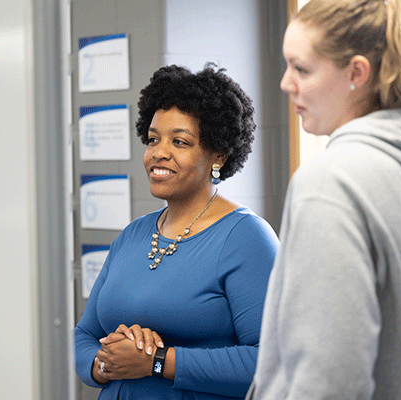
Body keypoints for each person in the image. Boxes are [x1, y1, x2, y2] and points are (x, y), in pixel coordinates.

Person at [247, 0, 401, 399]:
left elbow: (329, 382)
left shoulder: (330, 183)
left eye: (302, 68)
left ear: (356, 73)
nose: (285, 82)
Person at [74, 63, 279, 399]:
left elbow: (271, 362)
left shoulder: (247, 239)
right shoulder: (133, 235)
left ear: (218, 155)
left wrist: (157, 361)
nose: (159, 153)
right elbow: (84, 333)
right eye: (153, 139)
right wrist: (104, 363)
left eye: (180, 142)